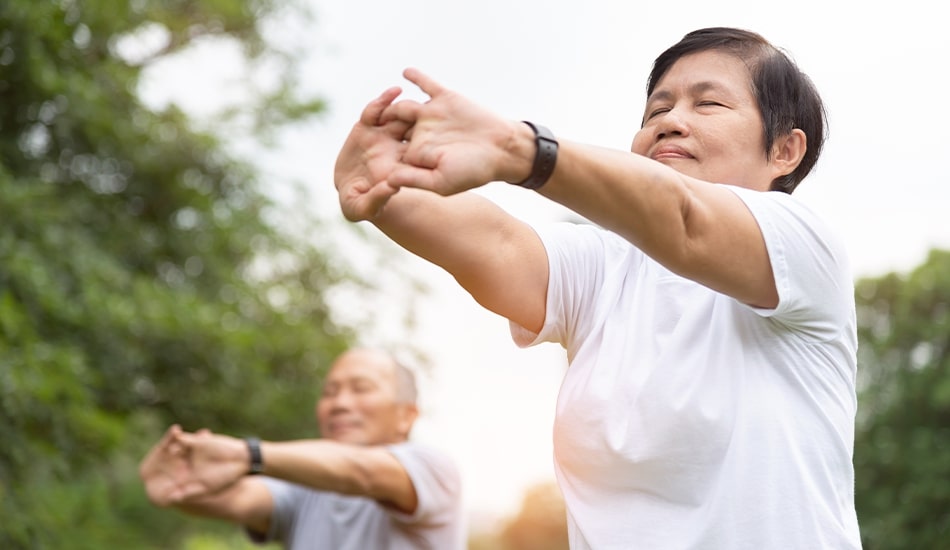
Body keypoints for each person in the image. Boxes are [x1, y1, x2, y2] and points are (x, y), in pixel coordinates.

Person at [333, 27, 861, 549]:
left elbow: (684, 219)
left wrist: (518, 148)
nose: (671, 122)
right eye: (657, 110)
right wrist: (385, 185)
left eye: (709, 105)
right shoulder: (607, 266)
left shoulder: (803, 248)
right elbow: (498, 245)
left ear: (784, 151)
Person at [139, 348, 464, 550]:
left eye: (361, 389)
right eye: (330, 392)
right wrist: (180, 482)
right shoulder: (304, 487)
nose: (340, 403)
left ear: (406, 416)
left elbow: (362, 472)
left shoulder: (431, 467)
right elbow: (238, 498)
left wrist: (247, 454)